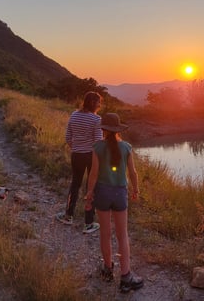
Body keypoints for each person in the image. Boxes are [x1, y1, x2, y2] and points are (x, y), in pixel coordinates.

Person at [85, 113, 144, 293]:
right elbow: (132, 173)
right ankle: (126, 276)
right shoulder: (126, 147)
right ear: (118, 129)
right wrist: (136, 189)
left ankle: (108, 269)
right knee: (122, 235)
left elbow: (93, 174)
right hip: (120, 193)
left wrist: (89, 195)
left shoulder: (97, 147)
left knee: (105, 233)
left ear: (103, 129)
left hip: (102, 192)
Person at [56, 91, 102, 234]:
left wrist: (76, 148)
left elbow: (68, 137)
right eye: (99, 102)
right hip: (91, 156)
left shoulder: (74, 115)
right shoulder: (96, 119)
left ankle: (68, 216)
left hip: (76, 155)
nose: (100, 105)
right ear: (95, 103)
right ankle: (88, 223)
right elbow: (98, 142)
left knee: (75, 184)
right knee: (91, 186)